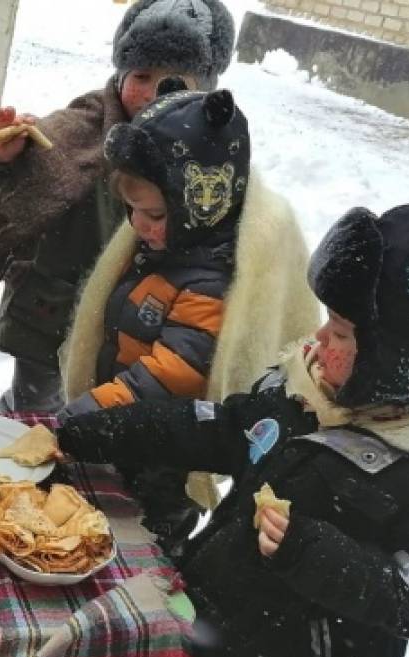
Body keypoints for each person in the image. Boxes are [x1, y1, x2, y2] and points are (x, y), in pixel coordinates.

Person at [57, 203, 409, 657]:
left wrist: (315, 554)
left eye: (344, 333)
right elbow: (226, 429)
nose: (322, 338)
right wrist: (114, 430)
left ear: (407, 360)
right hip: (219, 632)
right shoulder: (309, 386)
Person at [57, 85, 321, 550]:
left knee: (139, 547)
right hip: (125, 425)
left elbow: (173, 372)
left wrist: (88, 411)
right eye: (132, 210)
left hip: (165, 458)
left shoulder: (213, 279)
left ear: (201, 201)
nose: (138, 226)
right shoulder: (164, 247)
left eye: (154, 213)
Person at [0, 0, 236, 415]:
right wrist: (4, 157)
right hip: (52, 311)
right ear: (121, 72)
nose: (153, 91)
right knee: (38, 415)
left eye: (174, 79)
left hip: (143, 322)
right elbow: (26, 181)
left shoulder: (210, 151)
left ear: (206, 85)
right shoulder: (86, 125)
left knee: (106, 415)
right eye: (141, 75)